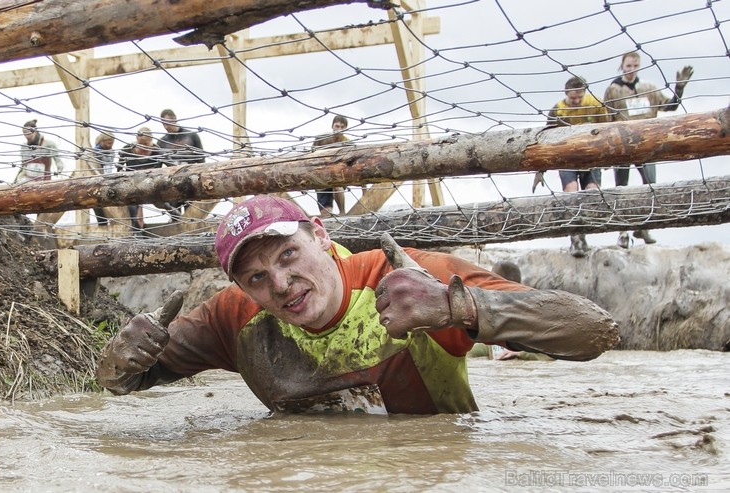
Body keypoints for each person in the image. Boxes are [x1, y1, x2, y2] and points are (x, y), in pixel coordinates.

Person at [96, 195, 619, 415]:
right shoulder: (234, 316)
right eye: (257, 276)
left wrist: (457, 307)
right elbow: (117, 386)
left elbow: (596, 333)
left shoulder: (412, 280)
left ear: (320, 236)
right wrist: (123, 357)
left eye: (288, 255)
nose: (280, 284)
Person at [603, 52, 694, 249]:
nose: (632, 68)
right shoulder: (612, 90)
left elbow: (670, 106)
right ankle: (622, 231)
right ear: (622, 66)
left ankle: (643, 225)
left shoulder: (649, 88)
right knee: (621, 188)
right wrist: (605, 151)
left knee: (650, 186)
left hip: (646, 143)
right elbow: (606, 120)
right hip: (622, 144)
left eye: (635, 65)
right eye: (628, 65)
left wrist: (679, 89)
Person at [533, 75, 610, 257]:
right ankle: (575, 236)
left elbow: (608, 128)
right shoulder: (558, 111)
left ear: (584, 93)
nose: (576, 101)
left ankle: (586, 232)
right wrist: (540, 169)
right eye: (572, 98)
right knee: (572, 192)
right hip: (566, 158)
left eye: (579, 97)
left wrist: (609, 157)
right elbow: (545, 139)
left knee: (592, 192)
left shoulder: (596, 105)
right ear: (566, 94)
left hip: (592, 157)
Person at [157, 108, 206, 219]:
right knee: (175, 216)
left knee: (193, 215)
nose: (165, 127)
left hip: (192, 181)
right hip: (172, 183)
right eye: (163, 124)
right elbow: (158, 165)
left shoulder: (191, 136)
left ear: (174, 120)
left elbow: (202, 159)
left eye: (167, 123)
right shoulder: (161, 142)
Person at [117, 127, 163, 231]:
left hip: (153, 184)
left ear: (151, 141)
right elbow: (118, 170)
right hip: (131, 186)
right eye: (140, 145)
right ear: (136, 140)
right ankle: (137, 231)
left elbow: (171, 166)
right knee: (132, 207)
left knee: (166, 204)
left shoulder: (158, 151)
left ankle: (177, 218)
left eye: (146, 145)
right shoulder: (127, 150)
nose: (143, 148)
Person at [313, 115, 350, 217]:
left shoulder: (348, 143)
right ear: (332, 126)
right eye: (337, 126)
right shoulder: (321, 139)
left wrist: (364, 193)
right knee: (326, 214)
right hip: (322, 178)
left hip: (339, 176)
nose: (339, 129)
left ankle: (342, 212)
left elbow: (358, 164)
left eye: (342, 127)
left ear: (346, 128)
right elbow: (311, 157)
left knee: (337, 186)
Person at [14, 119, 64, 184]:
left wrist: (59, 170)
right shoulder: (24, 147)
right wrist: (15, 181)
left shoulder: (48, 145)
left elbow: (58, 160)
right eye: (24, 133)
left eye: (28, 132)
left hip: (44, 181)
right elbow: (23, 166)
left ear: (35, 131)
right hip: (27, 181)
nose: (26, 135)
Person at [84, 132, 117, 226]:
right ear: (102, 141)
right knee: (100, 210)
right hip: (96, 182)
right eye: (108, 143)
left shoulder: (112, 152)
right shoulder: (95, 152)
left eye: (112, 143)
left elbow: (110, 165)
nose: (110, 145)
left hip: (108, 179)